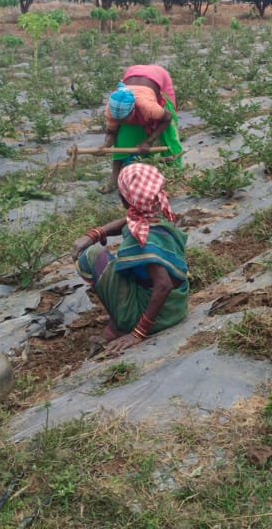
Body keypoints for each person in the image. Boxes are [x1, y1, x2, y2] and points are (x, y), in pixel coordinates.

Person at [72, 162, 190, 356]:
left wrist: (138, 333)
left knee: (92, 257)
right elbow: (130, 221)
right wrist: (97, 233)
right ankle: (124, 315)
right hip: (175, 308)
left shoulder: (143, 238)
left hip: (160, 317)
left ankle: (121, 323)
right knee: (123, 265)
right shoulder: (159, 216)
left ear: (124, 199)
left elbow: (163, 285)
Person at [102, 65, 182, 192]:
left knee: (168, 134)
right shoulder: (112, 110)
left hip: (158, 76)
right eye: (119, 120)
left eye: (124, 119)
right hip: (133, 73)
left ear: (134, 110)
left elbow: (167, 118)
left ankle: (176, 171)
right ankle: (115, 176)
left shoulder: (148, 106)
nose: (121, 122)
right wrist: (105, 146)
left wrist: (148, 142)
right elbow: (112, 132)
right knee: (125, 132)